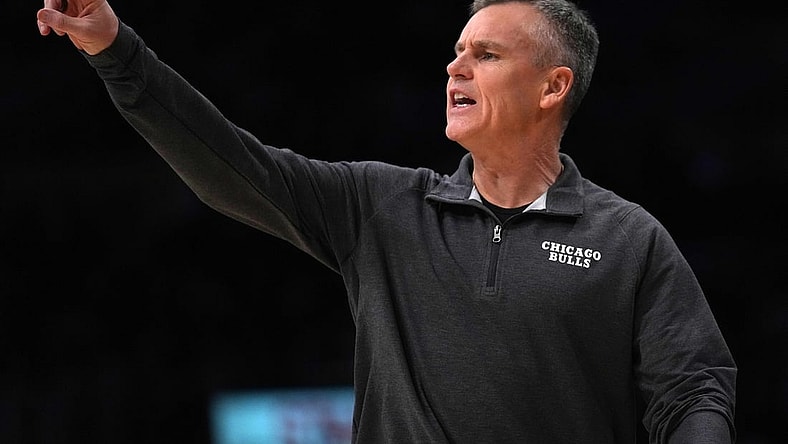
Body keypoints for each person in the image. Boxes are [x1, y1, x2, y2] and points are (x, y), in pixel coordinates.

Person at [36, 0, 737, 442]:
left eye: (485, 55)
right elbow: (234, 166)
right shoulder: (382, 207)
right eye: (458, 51)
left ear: (553, 87)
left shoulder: (629, 239)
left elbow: (694, 389)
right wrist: (116, 52)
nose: (455, 65)